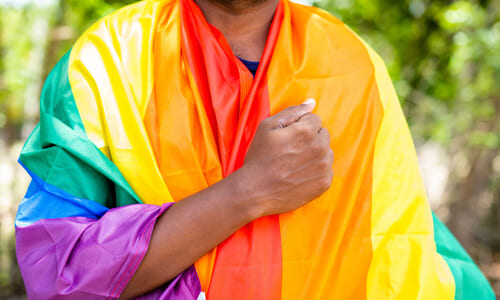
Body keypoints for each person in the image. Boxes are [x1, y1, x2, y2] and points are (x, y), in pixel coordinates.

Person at [14, 0, 494, 299]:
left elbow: (398, 248)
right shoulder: (104, 63)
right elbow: (59, 274)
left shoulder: (354, 67)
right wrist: (247, 192)